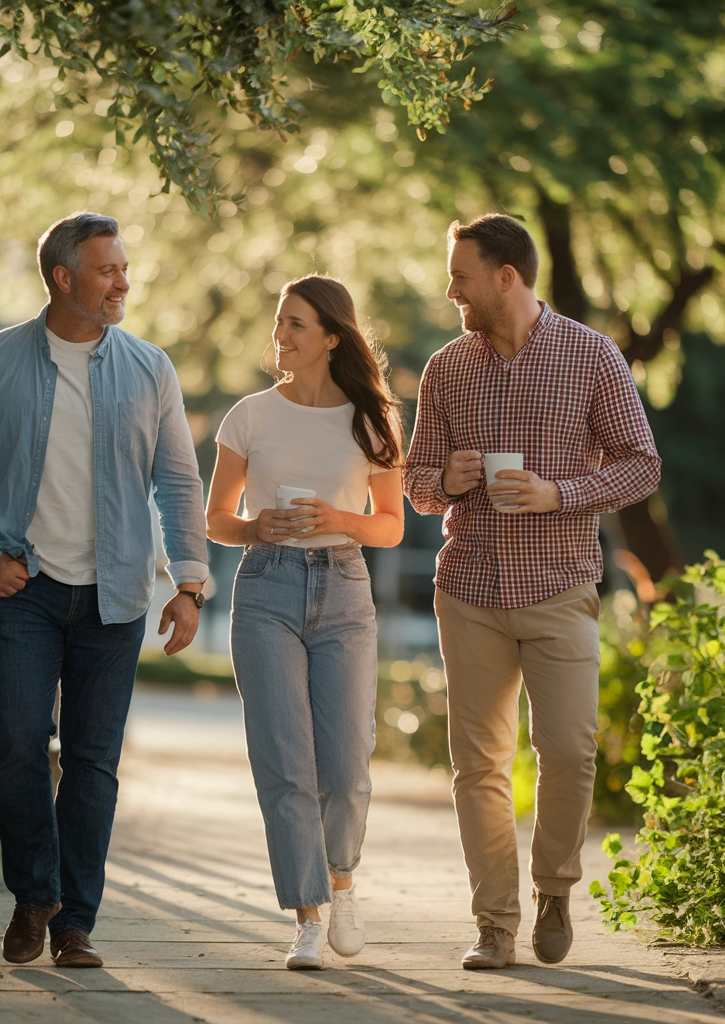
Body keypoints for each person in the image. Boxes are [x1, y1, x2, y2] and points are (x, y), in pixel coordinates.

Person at [0, 212, 208, 969]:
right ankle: (34, 895)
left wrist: (189, 582)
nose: (124, 280)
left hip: (115, 597)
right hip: (26, 590)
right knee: (17, 742)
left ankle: (74, 923)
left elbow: (179, 480)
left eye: (123, 267)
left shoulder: (151, 368)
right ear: (63, 276)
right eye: (108, 268)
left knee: (92, 761)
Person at [404, 214, 661, 970]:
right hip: (471, 588)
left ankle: (553, 889)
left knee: (570, 751)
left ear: (505, 277)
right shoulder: (447, 367)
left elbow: (641, 465)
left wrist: (561, 494)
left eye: (461, 276)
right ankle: (494, 924)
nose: (451, 289)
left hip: (560, 587)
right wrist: (442, 480)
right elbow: (415, 483)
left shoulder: (592, 356)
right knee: (478, 765)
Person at [206, 274, 404, 970]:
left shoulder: (372, 420)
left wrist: (337, 519)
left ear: (330, 337)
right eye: (279, 322)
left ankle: (342, 882)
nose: (280, 335)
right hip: (265, 588)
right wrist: (258, 526)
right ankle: (308, 916)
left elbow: (388, 528)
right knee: (285, 763)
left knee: (346, 766)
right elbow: (217, 519)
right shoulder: (249, 417)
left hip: (344, 589)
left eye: (295, 324)